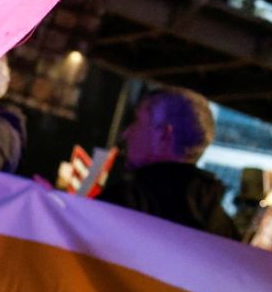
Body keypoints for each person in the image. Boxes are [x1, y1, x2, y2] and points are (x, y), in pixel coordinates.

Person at [97, 86, 236, 239]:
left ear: (163, 136)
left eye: (137, 122)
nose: (126, 133)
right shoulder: (226, 230)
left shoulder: (125, 202)